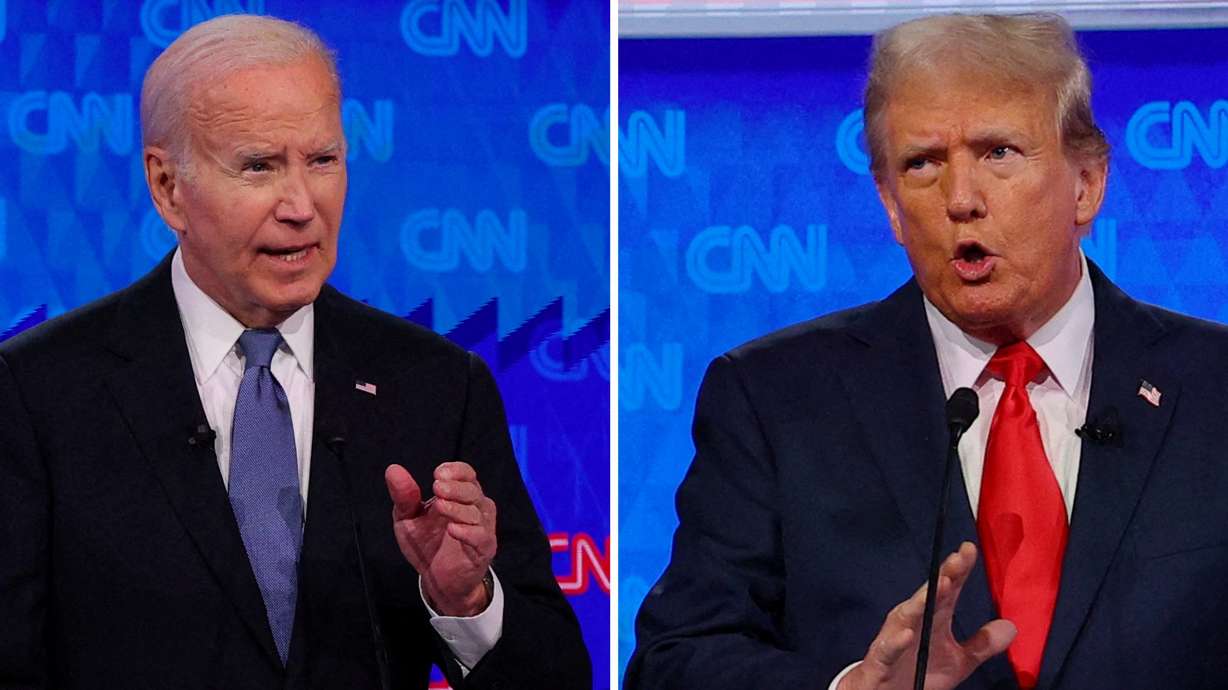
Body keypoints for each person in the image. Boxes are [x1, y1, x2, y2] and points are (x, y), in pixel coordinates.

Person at [625, 12, 1228, 690]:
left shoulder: (1215, 388)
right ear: (889, 204)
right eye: (922, 164)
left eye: (999, 152)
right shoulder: (773, 399)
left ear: (1086, 183)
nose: (960, 198)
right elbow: (674, 662)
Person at [0, 14, 589, 690]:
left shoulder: (436, 386)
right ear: (167, 187)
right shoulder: (36, 393)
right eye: (259, 166)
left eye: (323, 160)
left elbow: (555, 675)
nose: (302, 205)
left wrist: (467, 603)